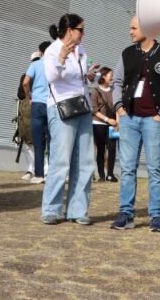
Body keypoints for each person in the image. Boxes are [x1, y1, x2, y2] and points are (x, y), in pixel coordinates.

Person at [110, 16, 160, 233]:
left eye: (133, 28)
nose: (130, 32)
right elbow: (117, 82)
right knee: (127, 168)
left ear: (147, 28)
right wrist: (120, 108)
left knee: (155, 169)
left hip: (154, 120)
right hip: (129, 118)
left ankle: (156, 216)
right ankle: (126, 214)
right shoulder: (127, 53)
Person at [40, 14, 97, 225]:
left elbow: (80, 78)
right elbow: (52, 77)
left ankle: (78, 209)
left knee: (84, 162)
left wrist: (89, 76)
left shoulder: (81, 51)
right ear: (70, 30)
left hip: (83, 106)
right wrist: (62, 57)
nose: (83, 34)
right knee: (61, 160)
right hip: (62, 107)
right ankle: (51, 209)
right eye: (81, 29)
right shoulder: (53, 50)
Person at [22, 42, 51, 184]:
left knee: (38, 140)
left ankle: (39, 174)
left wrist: (30, 97)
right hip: (52, 104)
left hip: (38, 103)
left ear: (40, 52)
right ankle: (52, 172)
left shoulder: (36, 64)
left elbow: (26, 82)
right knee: (53, 140)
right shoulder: (55, 64)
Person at [91, 66, 118, 182]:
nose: (112, 77)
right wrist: (107, 119)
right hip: (98, 124)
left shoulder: (114, 91)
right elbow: (94, 110)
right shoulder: (96, 91)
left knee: (112, 148)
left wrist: (117, 122)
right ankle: (101, 174)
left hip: (112, 124)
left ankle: (110, 174)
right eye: (110, 75)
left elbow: (117, 106)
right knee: (101, 150)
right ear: (103, 76)